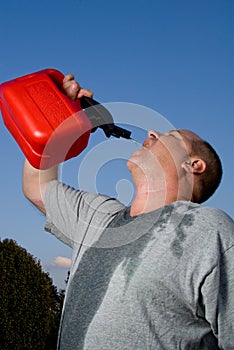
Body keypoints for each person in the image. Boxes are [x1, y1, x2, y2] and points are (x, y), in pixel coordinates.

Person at [23, 74, 234, 350]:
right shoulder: (99, 215)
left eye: (170, 136)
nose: (151, 134)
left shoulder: (210, 230)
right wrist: (59, 116)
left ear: (193, 165)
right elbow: (37, 187)